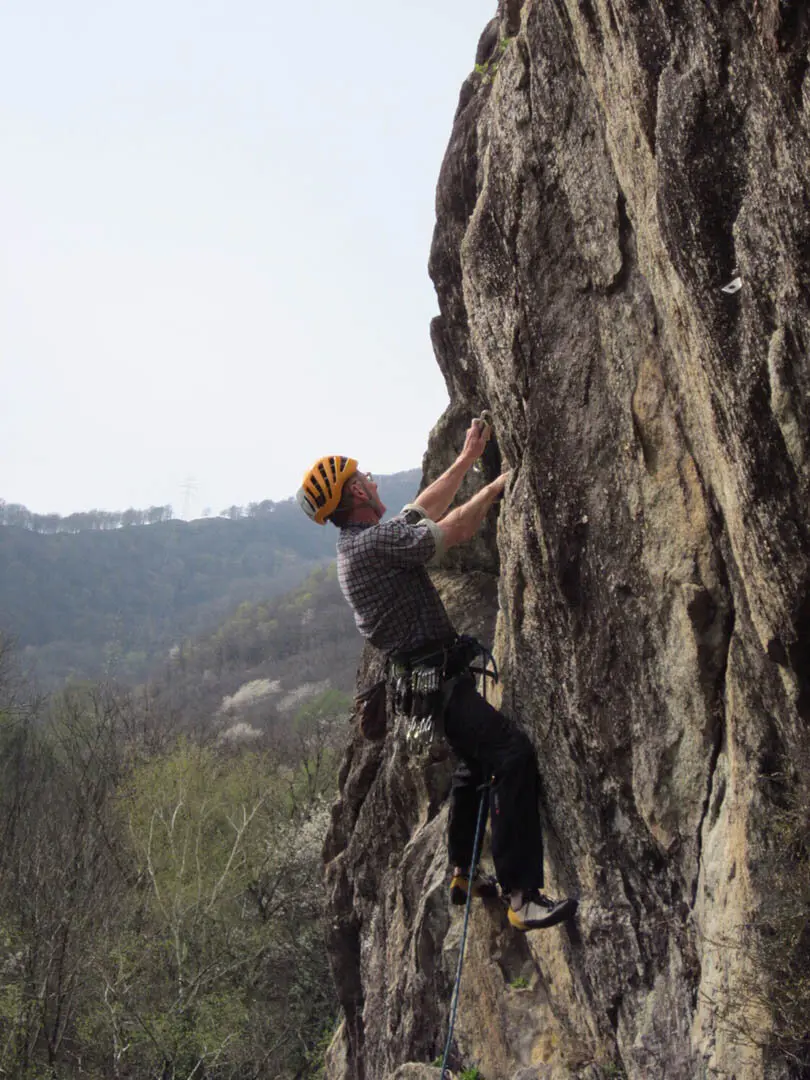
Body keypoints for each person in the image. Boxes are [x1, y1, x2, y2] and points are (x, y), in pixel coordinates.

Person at [296, 422, 577, 931]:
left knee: (474, 764)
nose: (376, 482)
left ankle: (463, 873)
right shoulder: (374, 545)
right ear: (357, 492)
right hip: (436, 683)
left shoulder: (361, 542)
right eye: (368, 478)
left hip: (425, 682)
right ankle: (521, 896)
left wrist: (468, 457)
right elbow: (452, 530)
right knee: (511, 755)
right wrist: (498, 486)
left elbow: (421, 510)